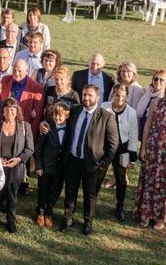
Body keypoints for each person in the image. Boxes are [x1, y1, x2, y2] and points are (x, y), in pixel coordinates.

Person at [60, 85, 119, 236]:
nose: (86, 98)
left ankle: (87, 221)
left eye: (90, 95)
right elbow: (59, 119)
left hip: (92, 163)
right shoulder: (75, 110)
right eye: (84, 94)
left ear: (97, 98)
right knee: (70, 190)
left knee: (90, 194)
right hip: (73, 159)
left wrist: (104, 163)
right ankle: (68, 218)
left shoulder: (106, 117)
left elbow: (113, 144)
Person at [0, 99, 34, 233]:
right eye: (7, 109)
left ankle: (11, 220)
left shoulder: (24, 126)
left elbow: (30, 148)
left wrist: (19, 160)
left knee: (11, 195)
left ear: (17, 112)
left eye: (12, 110)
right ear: (2, 111)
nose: (9, 112)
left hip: (15, 166)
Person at [100, 84, 138, 222]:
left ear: (126, 96)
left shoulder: (131, 112)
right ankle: (91, 201)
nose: (120, 98)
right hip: (105, 147)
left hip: (123, 148)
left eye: (123, 96)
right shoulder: (104, 106)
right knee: (99, 174)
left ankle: (120, 206)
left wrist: (132, 159)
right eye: (117, 95)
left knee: (121, 178)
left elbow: (133, 135)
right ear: (113, 95)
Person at [33, 101, 70, 228]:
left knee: (55, 190)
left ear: (67, 116)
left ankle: (49, 211)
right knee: (43, 190)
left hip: (60, 167)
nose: (57, 117)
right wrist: (38, 165)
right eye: (55, 114)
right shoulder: (47, 128)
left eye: (60, 115)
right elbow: (38, 150)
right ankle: (40, 211)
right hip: (46, 166)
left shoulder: (69, 129)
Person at [136, 94, 166, 229]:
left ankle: (160, 217)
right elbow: (147, 126)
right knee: (149, 179)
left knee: (163, 183)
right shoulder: (156, 102)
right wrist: (143, 147)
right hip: (153, 147)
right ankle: (146, 214)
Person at [0, 59, 43, 140]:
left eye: (20, 71)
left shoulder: (36, 88)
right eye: (14, 70)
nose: (16, 73)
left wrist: (30, 138)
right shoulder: (5, 80)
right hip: (3, 127)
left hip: (22, 131)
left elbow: (37, 117)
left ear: (27, 71)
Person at [136, 69, 166, 142]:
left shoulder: (163, 99)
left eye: (161, 80)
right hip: (142, 129)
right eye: (155, 79)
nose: (158, 82)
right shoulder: (147, 94)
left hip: (156, 135)